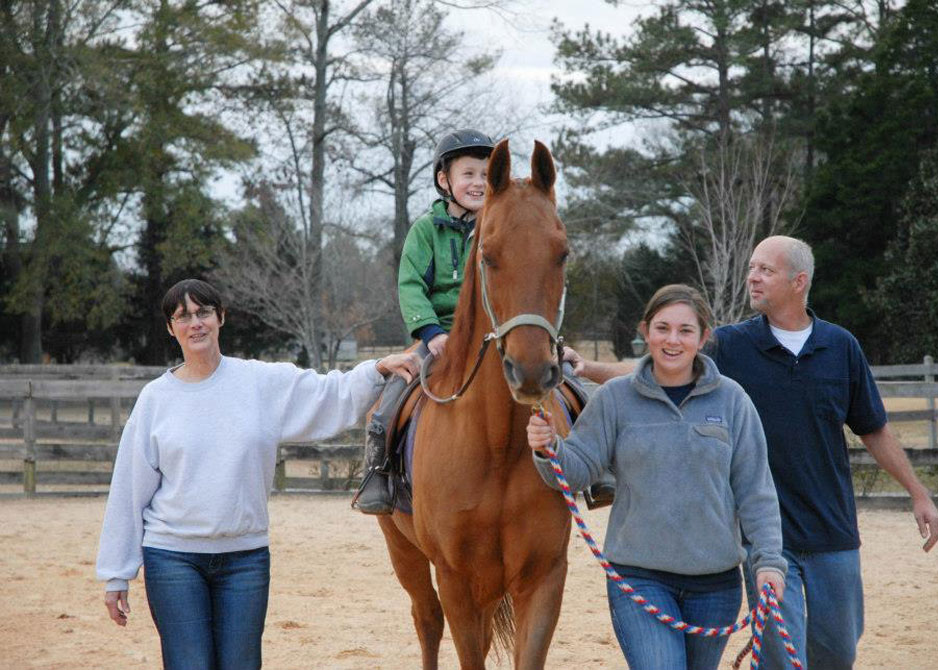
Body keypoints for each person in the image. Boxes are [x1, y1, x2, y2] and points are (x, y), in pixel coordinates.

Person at [564, 236, 938, 670]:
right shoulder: (731, 344)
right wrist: (587, 368)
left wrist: (918, 492)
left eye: (765, 269)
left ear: (798, 281)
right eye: (751, 267)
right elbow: (663, 361)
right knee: (781, 658)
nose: (752, 277)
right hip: (765, 537)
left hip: (833, 531)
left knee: (838, 654)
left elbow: (874, 429)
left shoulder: (841, 348)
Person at [96, 278, 419, 670]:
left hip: (244, 559)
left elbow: (325, 394)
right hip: (174, 558)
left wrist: (374, 370)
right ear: (171, 327)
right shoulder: (155, 399)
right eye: (184, 316)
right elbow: (130, 488)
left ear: (221, 318)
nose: (195, 323)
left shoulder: (259, 383)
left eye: (204, 313)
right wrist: (117, 573)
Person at [526, 284, 787, 670]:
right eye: (662, 328)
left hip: (715, 586)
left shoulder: (733, 401)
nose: (673, 340)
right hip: (639, 579)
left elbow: (756, 492)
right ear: (645, 331)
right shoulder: (614, 398)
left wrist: (768, 562)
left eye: (685, 330)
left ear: (703, 337)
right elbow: (578, 468)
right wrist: (548, 448)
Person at [354, 128, 494, 514]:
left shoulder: (500, 228)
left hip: (495, 334)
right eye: (469, 173)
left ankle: (592, 466)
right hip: (441, 335)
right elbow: (411, 285)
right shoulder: (425, 231)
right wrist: (430, 331)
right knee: (390, 398)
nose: (478, 182)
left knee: (562, 379)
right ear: (444, 179)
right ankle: (377, 472)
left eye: (485, 174)